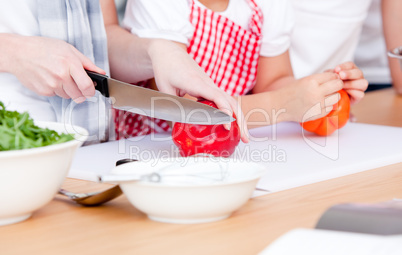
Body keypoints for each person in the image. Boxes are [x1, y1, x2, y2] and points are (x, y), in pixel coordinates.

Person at [0, 0, 247, 145]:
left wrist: (157, 51)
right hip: (13, 143)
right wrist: (15, 52)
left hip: (83, 152)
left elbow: (103, 38)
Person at [116, 0, 367, 138]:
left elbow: (274, 81)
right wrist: (282, 104)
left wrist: (322, 90)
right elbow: (180, 114)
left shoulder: (267, 5)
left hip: (232, 143)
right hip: (154, 146)